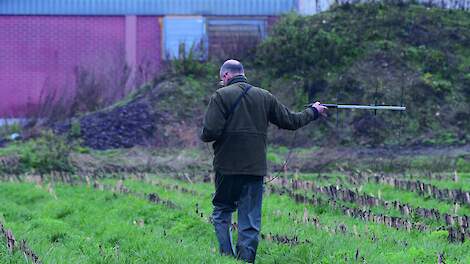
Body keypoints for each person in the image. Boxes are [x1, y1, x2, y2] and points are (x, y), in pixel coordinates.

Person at [200, 59, 327, 263]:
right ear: (242, 73)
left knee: (222, 211)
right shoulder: (264, 96)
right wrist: (314, 111)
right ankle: (246, 261)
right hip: (254, 169)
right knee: (249, 219)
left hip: (227, 167)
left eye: (221, 79)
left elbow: (209, 133)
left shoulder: (220, 96)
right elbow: (291, 121)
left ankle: (226, 258)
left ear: (226, 76)